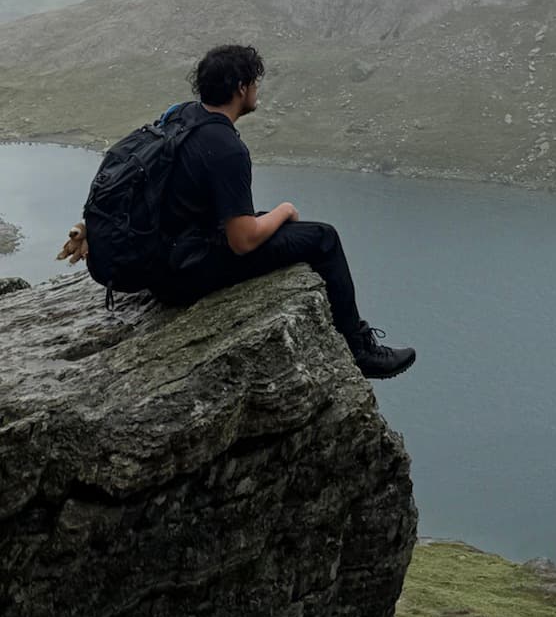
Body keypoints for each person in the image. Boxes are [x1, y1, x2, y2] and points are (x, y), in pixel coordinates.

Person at [153, 43, 415, 380]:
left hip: (161, 263)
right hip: (186, 273)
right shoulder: (227, 149)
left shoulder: (180, 117)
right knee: (323, 238)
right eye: (254, 83)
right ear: (241, 88)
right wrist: (284, 210)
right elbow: (242, 242)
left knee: (272, 223)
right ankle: (360, 350)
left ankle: (358, 343)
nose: (256, 90)